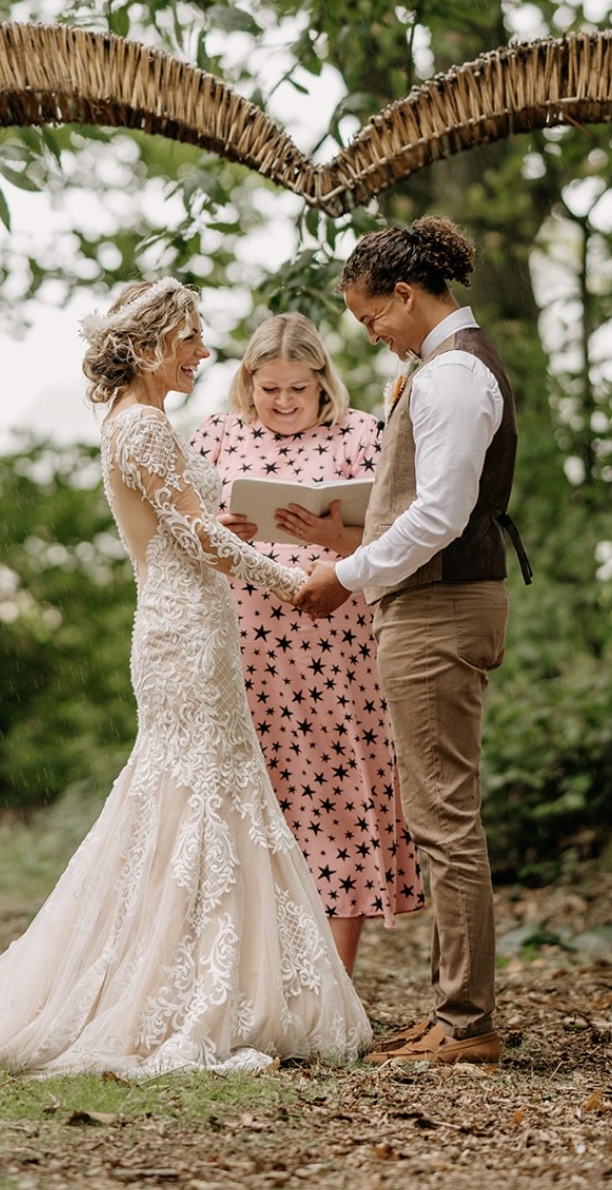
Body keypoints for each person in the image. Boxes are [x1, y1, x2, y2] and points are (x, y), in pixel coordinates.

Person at [0, 277, 371, 1076]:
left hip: (188, 624)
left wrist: (227, 531)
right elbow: (192, 540)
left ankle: (208, 978)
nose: (202, 353)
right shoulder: (146, 429)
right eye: (192, 337)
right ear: (154, 342)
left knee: (194, 795)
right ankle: (181, 987)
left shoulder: (141, 424)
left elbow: (186, 526)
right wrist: (289, 581)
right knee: (193, 794)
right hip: (183, 630)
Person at [297, 217, 531, 1067]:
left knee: (444, 820)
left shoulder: (453, 376)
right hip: (429, 606)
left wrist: (347, 574)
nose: (371, 333)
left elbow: (440, 514)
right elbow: (419, 498)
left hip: (438, 612)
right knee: (438, 815)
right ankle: (453, 1014)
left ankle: (466, 1023)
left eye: (371, 318)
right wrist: (339, 527)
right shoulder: (435, 371)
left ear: (404, 293)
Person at [191, 313, 423, 977]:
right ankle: (248, 975)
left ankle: (332, 987)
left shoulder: (362, 435)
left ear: (323, 383)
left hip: (338, 657)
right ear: (247, 383)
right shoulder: (215, 435)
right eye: (270, 389)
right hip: (244, 655)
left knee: (337, 802)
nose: (285, 402)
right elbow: (180, 539)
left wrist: (339, 540)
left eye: (298, 388)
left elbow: (400, 538)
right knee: (252, 808)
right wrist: (217, 528)